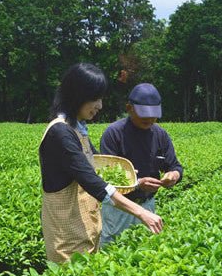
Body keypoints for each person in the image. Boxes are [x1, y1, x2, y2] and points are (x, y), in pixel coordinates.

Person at [39, 63, 163, 263]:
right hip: (67, 239)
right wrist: (141, 212)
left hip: (85, 231)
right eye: (95, 99)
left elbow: (99, 167)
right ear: (77, 96)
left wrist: (136, 182)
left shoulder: (77, 129)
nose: (100, 105)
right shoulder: (60, 133)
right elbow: (92, 181)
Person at [99, 83, 183, 246]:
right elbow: (107, 179)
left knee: (145, 248)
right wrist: (137, 184)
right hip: (119, 208)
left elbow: (175, 166)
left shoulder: (160, 135)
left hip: (147, 205)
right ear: (129, 108)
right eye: (144, 115)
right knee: (113, 248)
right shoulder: (114, 134)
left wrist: (173, 176)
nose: (150, 119)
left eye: (153, 115)